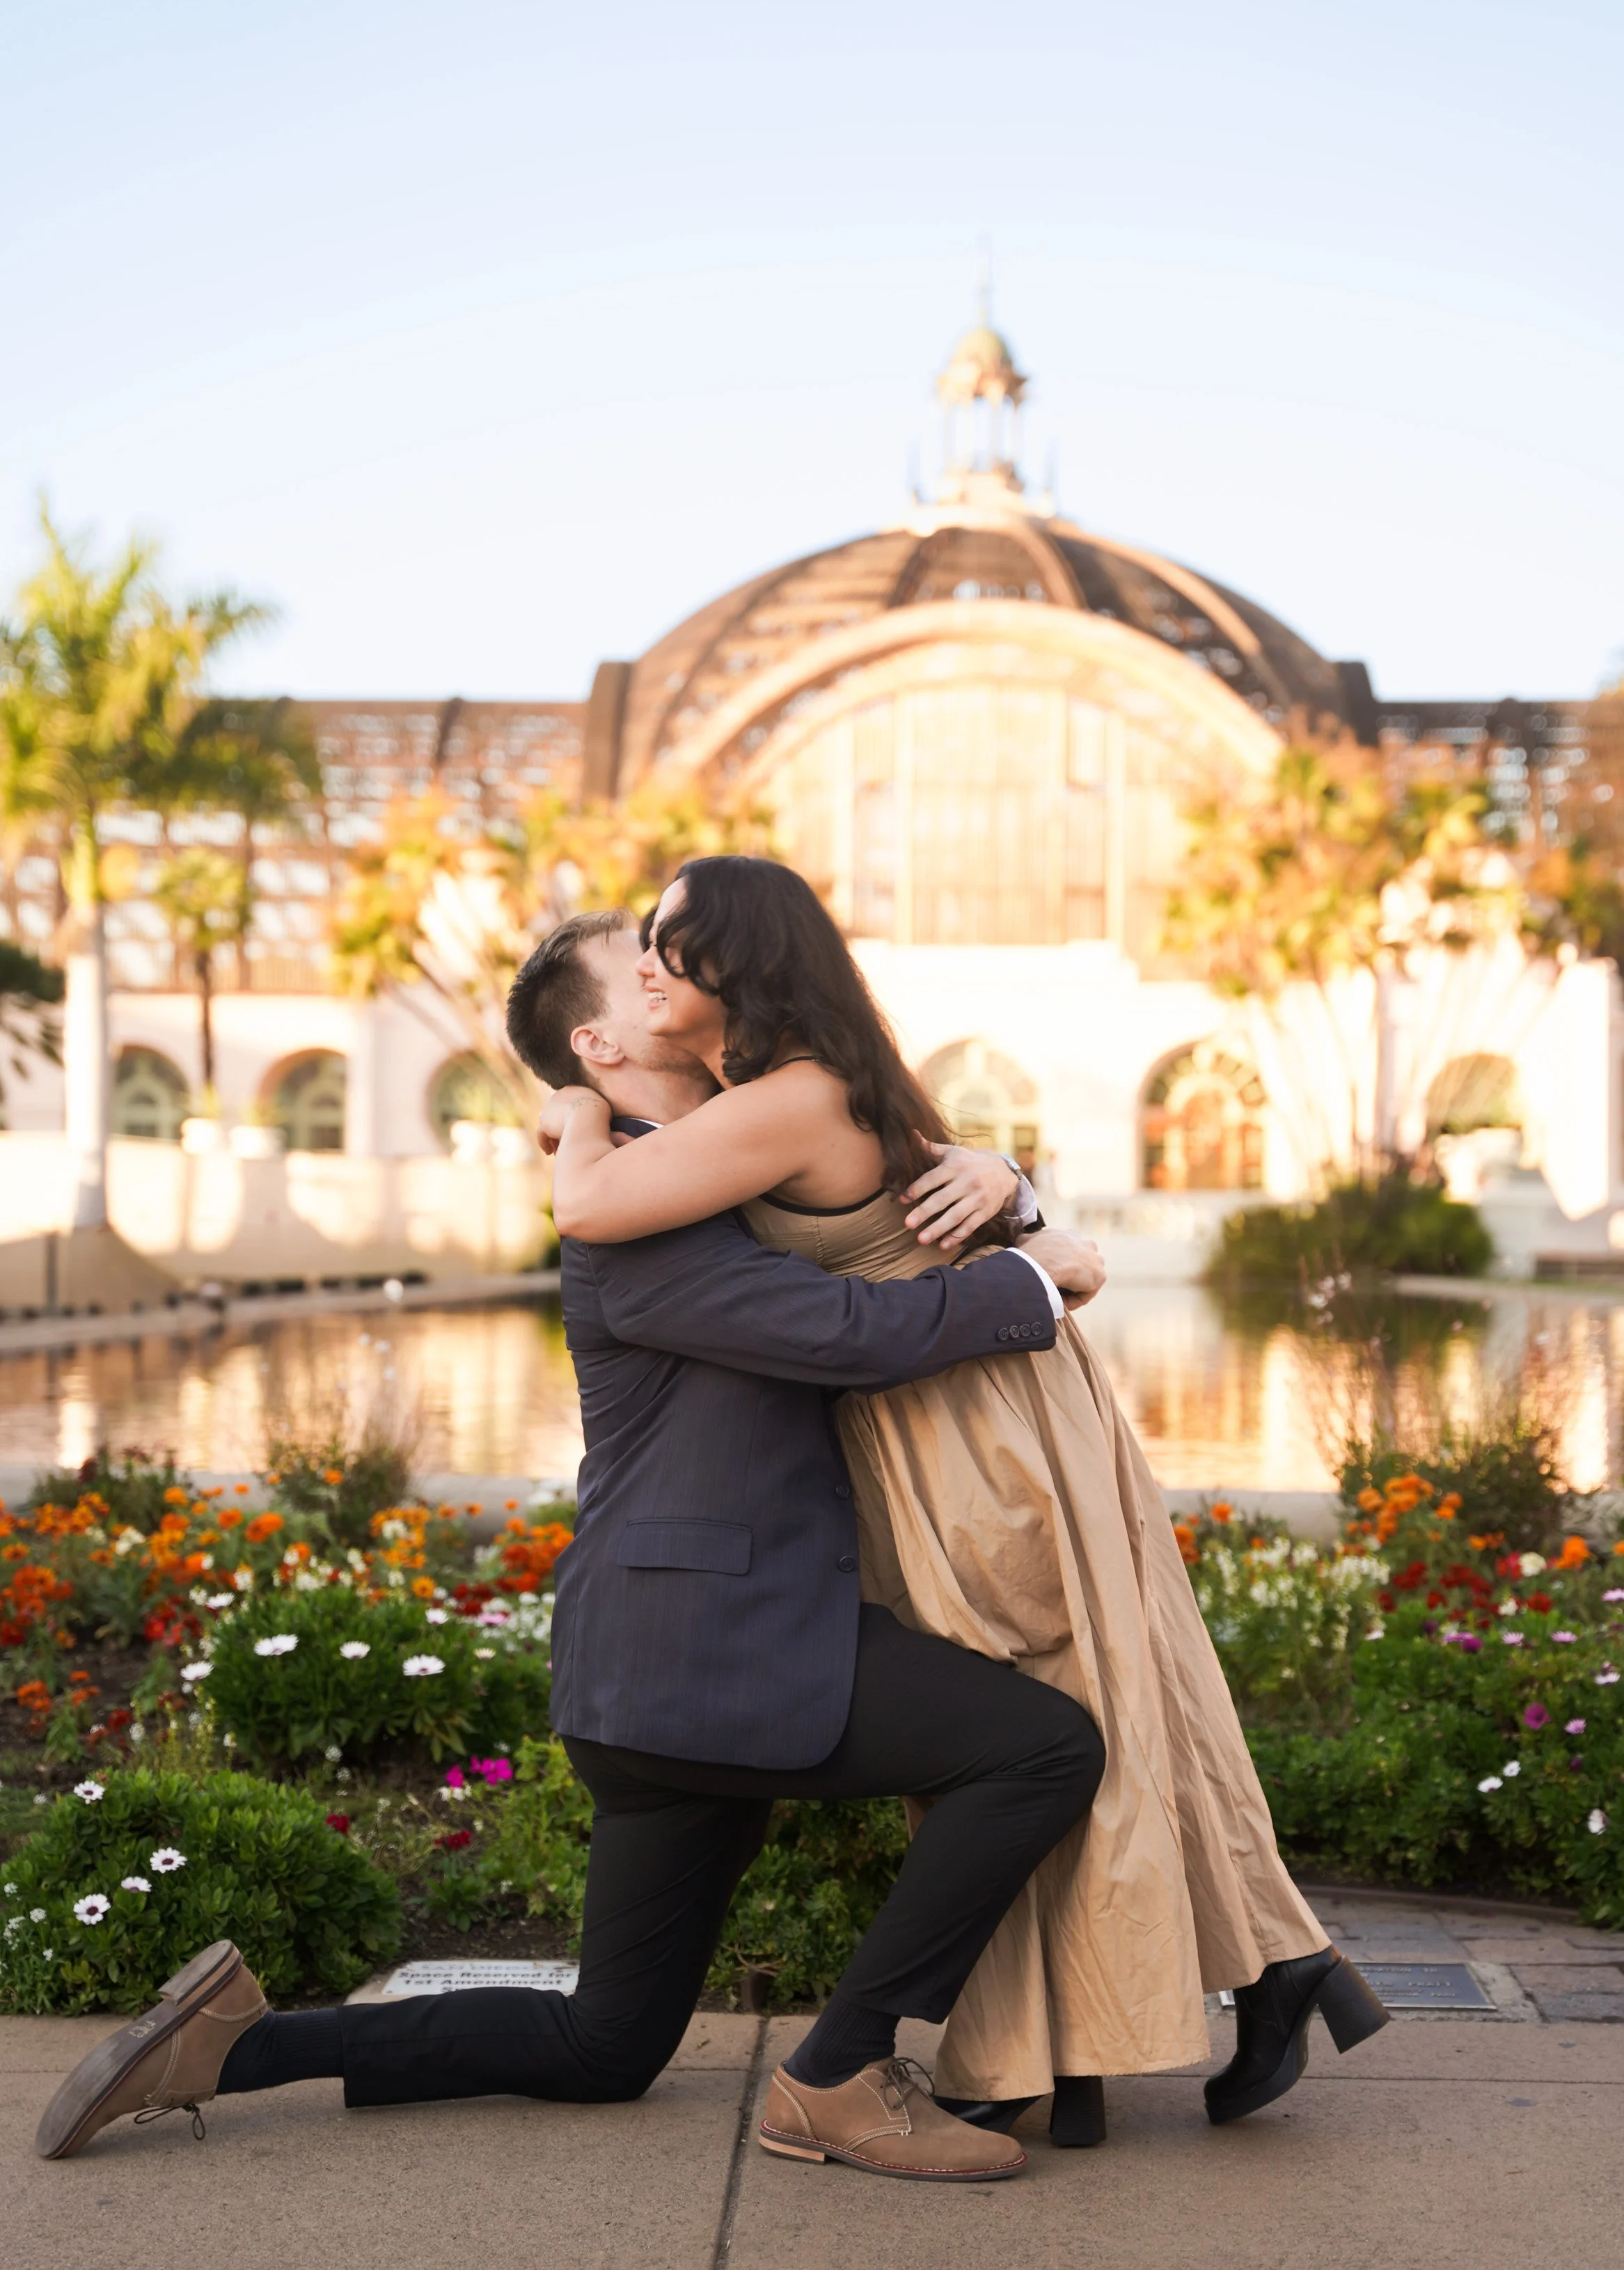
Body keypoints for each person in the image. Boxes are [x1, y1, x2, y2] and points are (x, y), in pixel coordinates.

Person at [36, 909, 1112, 2184]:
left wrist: (1005, 1178)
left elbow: (863, 1193)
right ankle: (836, 2076)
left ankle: (236, 2047)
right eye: (644, 974)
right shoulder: (631, 1221)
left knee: (608, 2047)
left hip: (668, 1676)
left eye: (682, 964)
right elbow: (851, 1331)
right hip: (713, 1658)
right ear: (597, 1040)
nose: (676, 980)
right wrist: (1042, 1276)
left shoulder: (702, 1167)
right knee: (1044, 1749)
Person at [539, 858, 1389, 2146]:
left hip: (968, 1435)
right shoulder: (792, 1080)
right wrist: (1015, 1193)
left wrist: (572, 1120)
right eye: (641, 947)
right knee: (1092, 1705)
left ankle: (1142, 2023)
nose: (650, 959)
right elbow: (930, 1188)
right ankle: (1213, 1995)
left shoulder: (784, 1096)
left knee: (1053, 1724)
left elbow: (600, 1205)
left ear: (739, 964)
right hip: (965, 1418)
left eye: (671, 941)